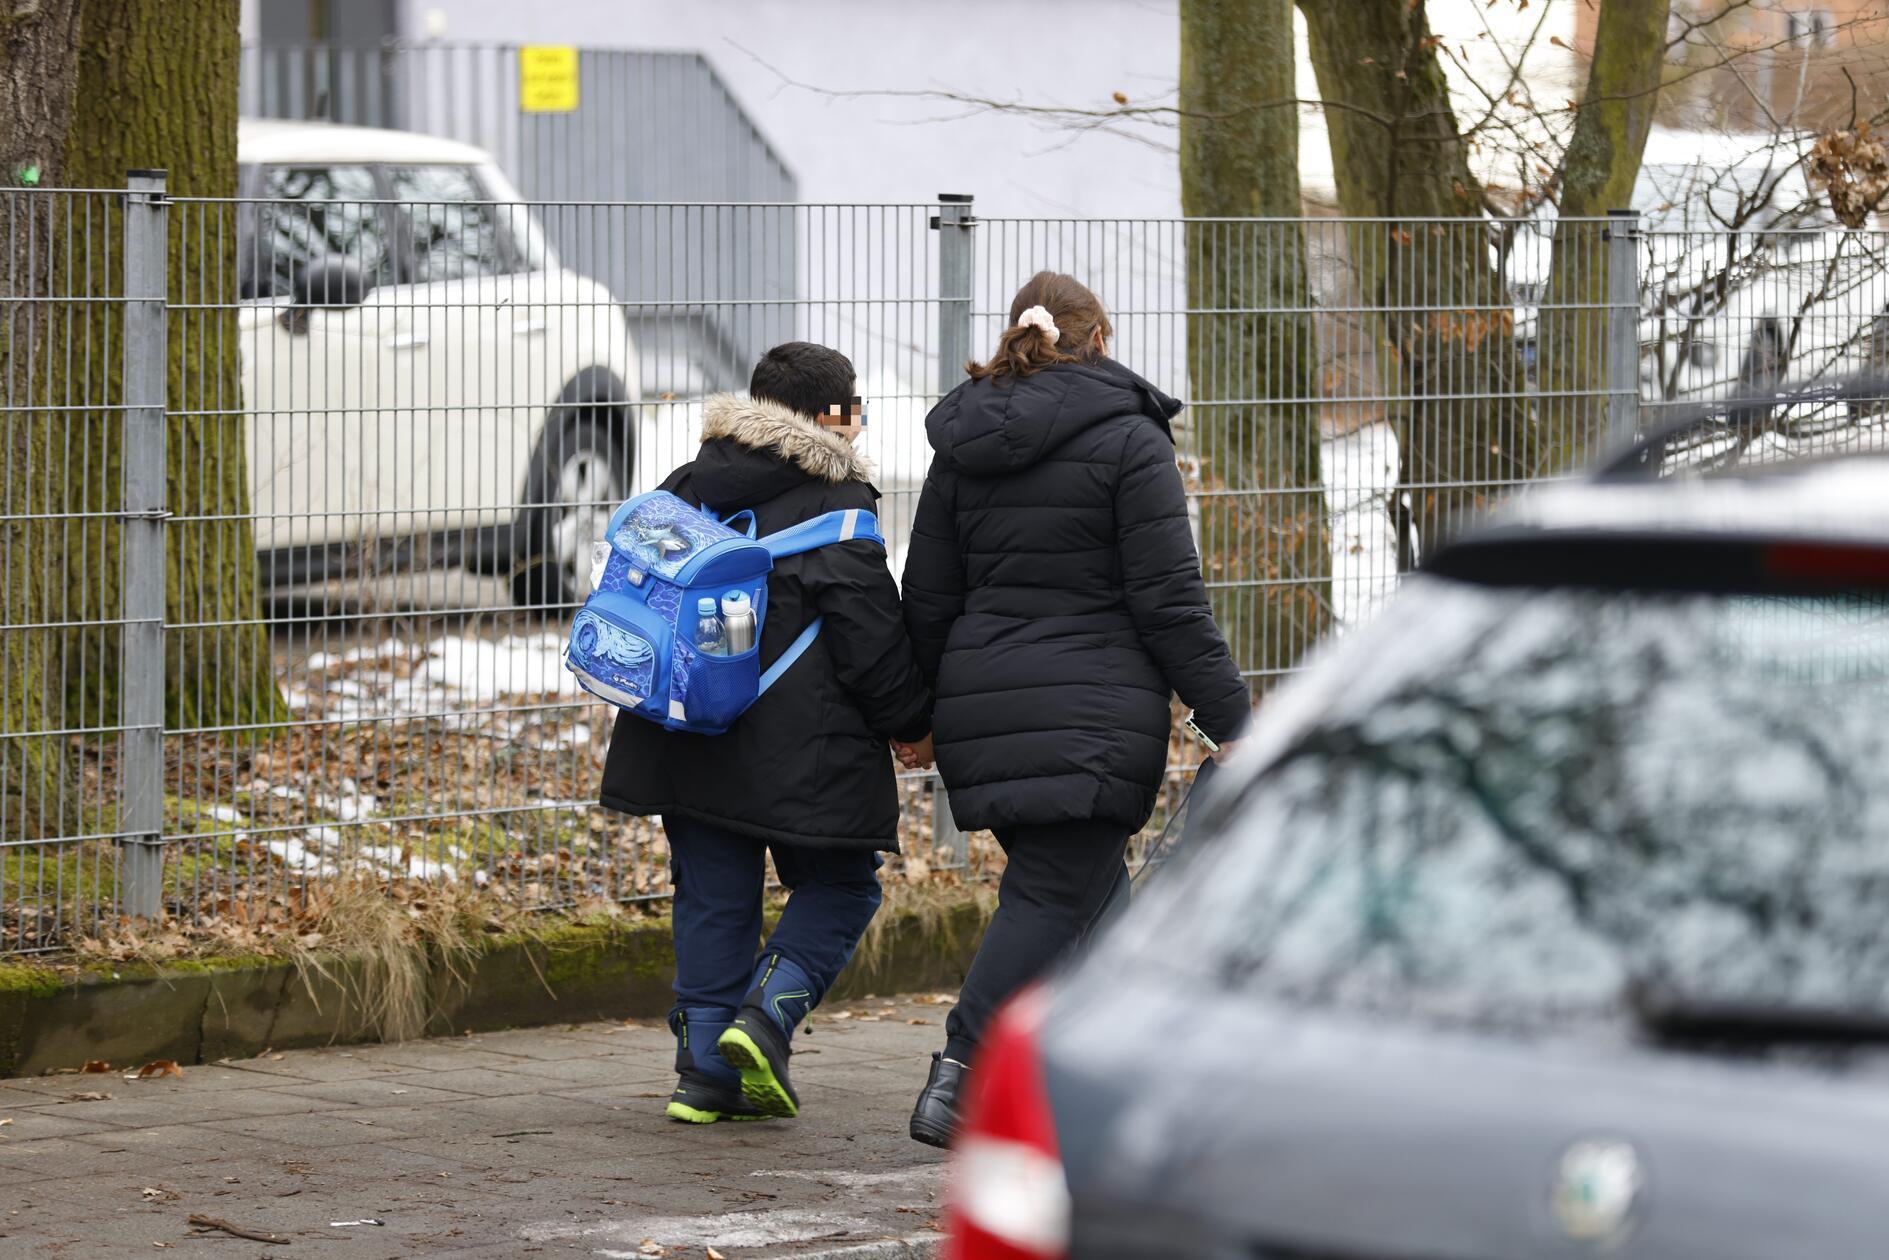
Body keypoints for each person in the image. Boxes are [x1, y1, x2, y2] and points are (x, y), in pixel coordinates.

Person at [895, 272, 1248, 1147]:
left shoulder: (961, 443)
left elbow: (927, 595)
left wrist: (915, 713)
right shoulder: (1131, 441)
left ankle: (1114, 1079)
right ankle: (960, 1076)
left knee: (1089, 898)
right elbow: (1168, 601)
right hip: (1091, 711)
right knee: (1055, 892)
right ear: (1103, 336)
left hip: (986, 708)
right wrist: (1233, 719)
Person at [600, 342, 934, 1124]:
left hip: (681, 731)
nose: (858, 425)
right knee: (841, 885)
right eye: (854, 409)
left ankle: (705, 1074)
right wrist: (912, 724)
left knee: (715, 895)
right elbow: (870, 640)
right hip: (799, 752)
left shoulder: (688, 482)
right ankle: (767, 1016)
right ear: (828, 417)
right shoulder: (836, 503)